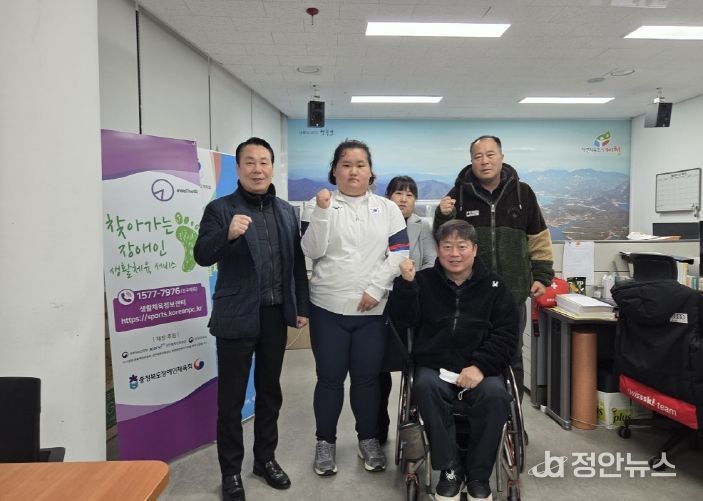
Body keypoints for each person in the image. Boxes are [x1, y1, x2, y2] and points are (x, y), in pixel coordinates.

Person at [194, 137, 309, 501]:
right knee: (230, 401)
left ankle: (265, 460)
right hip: (235, 316)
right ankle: (230, 472)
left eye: (264, 162)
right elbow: (201, 254)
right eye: (250, 162)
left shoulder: (286, 211)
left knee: (270, 393)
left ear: (272, 167)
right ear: (239, 168)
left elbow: (297, 264)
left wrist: (301, 307)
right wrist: (227, 234)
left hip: (275, 315)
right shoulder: (220, 209)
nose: (258, 169)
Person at [388, 220, 519, 501]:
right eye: (447, 246)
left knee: (496, 395)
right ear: (438, 249)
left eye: (462, 246)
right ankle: (449, 470)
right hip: (434, 366)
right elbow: (402, 321)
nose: (455, 253)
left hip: (481, 369)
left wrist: (480, 366)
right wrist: (406, 286)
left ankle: (478, 475)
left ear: (475, 249)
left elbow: (507, 334)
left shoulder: (495, 286)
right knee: (424, 386)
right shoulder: (422, 281)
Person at [301, 139, 409, 476]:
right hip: (327, 308)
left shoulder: (387, 209)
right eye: (345, 165)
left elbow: (399, 253)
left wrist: (376, 289)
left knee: (366, 380)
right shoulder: (316, 205)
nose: (353, 171)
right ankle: (325, 442)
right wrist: (322, 211)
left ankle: (368, 439)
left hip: (371, 311)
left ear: (370, 172)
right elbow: (312, 250)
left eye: (360, 165)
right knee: (329, 379)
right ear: (334, 171)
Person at [433, 135, 554, 399]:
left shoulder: (523, 193)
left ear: (501, 157)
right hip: (472, 293)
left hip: (512, 292)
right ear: (471, 161)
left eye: (490, 155)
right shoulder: (459, 195)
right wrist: (442, 215)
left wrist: (542, 275)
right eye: (478, 156)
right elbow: (443, 239)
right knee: (469, 353)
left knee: (511, 355)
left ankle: (511, 413)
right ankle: (471, 412)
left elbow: (538, 237)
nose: (484, 161)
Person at [377, 175, 437, 445]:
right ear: (387, 197)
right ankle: (377, 429)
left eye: (409, 194)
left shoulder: (422, 226)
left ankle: (413, 426)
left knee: (414, 367)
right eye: (398, 193)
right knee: (378, 370)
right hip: (379, 303)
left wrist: (412, 281)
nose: (403, 199)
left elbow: (430, 263)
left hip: (412, 303)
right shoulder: (377, 223)